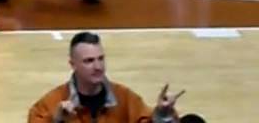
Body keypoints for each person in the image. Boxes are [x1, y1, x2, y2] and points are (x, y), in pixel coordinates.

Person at [27, 32, 183, 122]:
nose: (98, 66)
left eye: (100, 59)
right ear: (72, 64)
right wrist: (56, 120)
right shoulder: (51, 102)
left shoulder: (125, 98)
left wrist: (163, 114)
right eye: (89, 61)